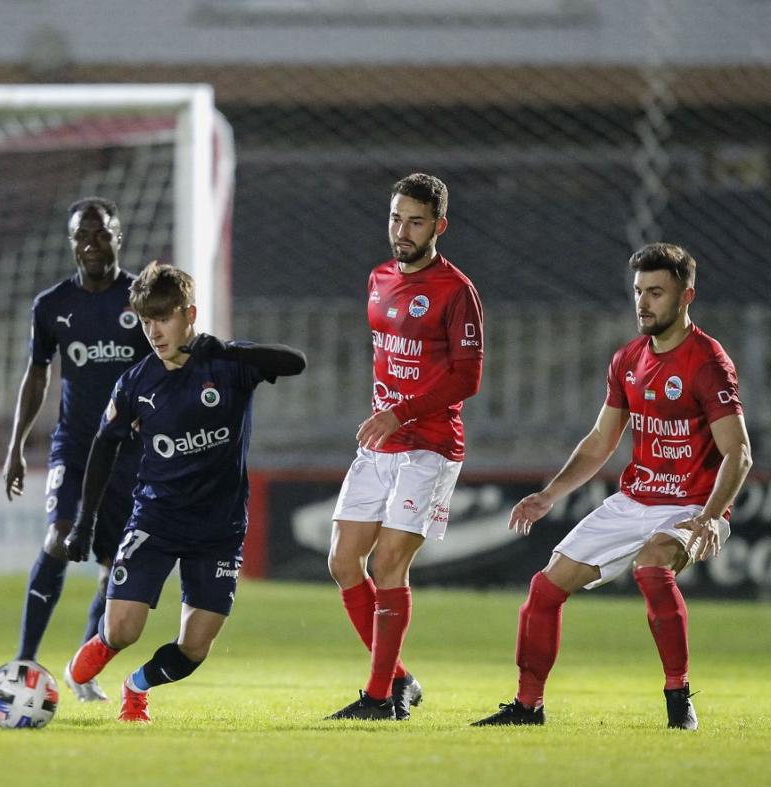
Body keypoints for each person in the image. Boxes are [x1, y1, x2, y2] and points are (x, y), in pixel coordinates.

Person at [473, 243, 751, 730]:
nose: (643, 303)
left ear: (687, 296)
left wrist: (709, 516)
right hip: (634, 500)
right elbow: (602, 440)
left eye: (656, 293)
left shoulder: (707, 361)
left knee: (651, 569)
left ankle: (678, 697)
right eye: (639, 291)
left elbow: (739, 453)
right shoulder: (628, 360)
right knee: (543, 590)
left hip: (690, 504)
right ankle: (527, 706)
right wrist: (549, 494)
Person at [63, 262, 306, 722]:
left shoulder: (227, 365)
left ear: (189, 314)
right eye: (145, 320)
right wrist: (85, 522)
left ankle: (136, 687)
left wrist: (233, 352)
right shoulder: (136, 382)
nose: (153, 331)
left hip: (219, 529)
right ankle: (77, 672)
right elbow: (103, 447)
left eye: (163, 318)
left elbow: (295, 362)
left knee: (194, 648)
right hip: (156, 520)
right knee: (121, 630)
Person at [326, 173, 484, 721]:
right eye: (396, 218)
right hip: (382, 444)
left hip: (430, 446)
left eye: (416, 221)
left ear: (439, 226)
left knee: (390, 563)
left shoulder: (456, 291)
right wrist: (385, 417)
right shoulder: (378, 278)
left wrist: (399, 411)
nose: (403, 230)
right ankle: (399, 679)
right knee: (345, 560)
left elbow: (467, 379)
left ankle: (378, 700)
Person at [3, 197, 152, 702]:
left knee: (116, 565)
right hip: (75, 445)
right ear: (71, 243)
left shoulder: (141, 299)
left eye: (101, 234)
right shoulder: (51, 306)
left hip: (131, 454)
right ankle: (24, 660)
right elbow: (38, 374)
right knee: (59, 539)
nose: (91, 244)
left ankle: (81, 670)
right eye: (82, 237)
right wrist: (17, 445)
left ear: (118, 236)